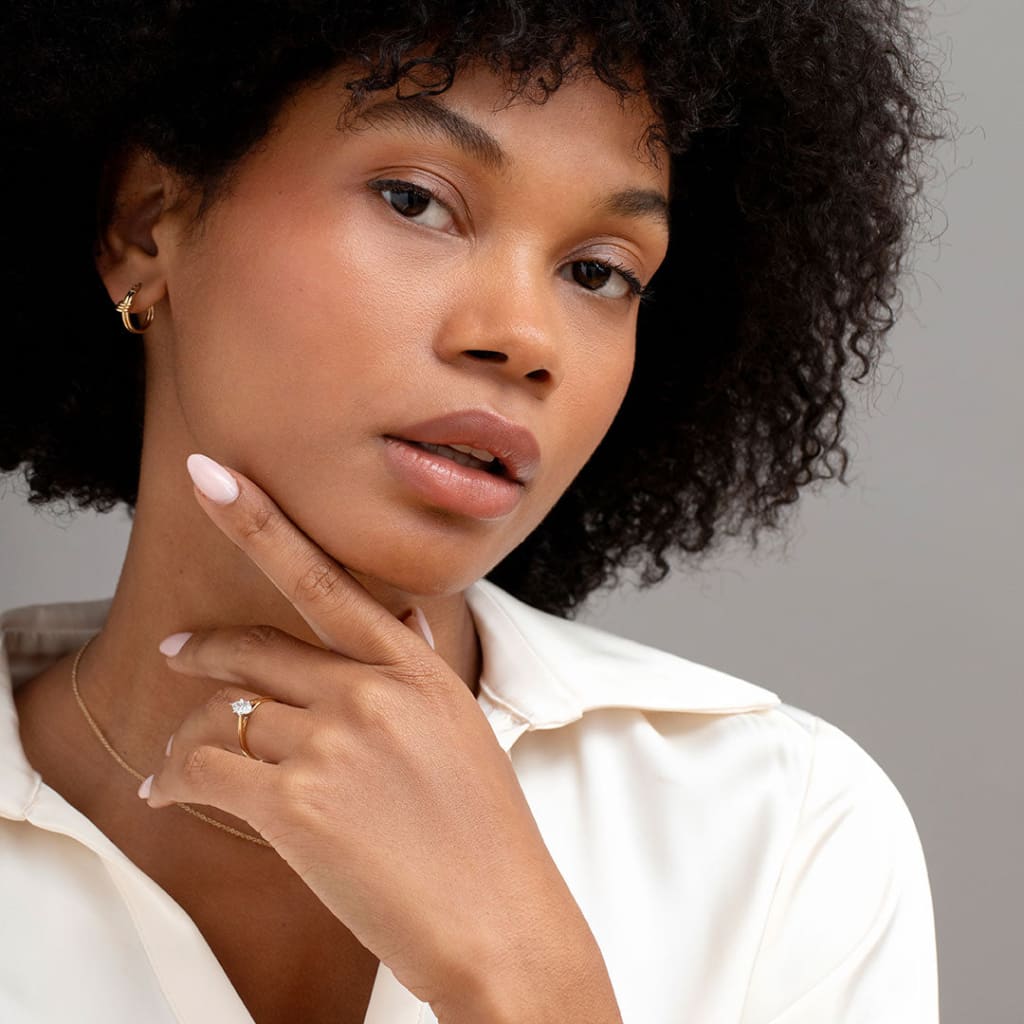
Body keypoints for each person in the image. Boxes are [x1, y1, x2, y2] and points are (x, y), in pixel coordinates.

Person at [0, 2, 947, 1022]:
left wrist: (523, 978)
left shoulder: (774, 830)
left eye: (599, 273)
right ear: (147, 222)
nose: (523, 336)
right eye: (415, 200)